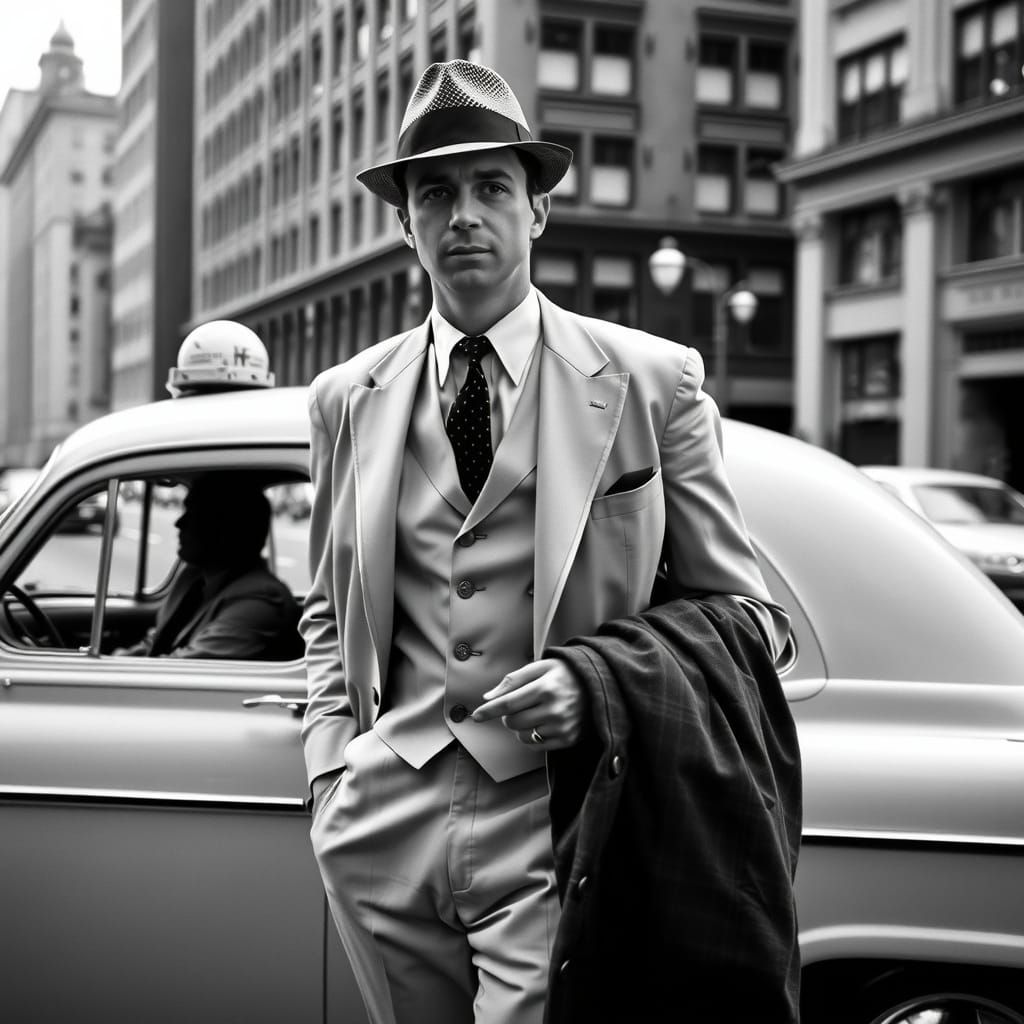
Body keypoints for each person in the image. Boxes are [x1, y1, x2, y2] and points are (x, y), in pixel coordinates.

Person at [301, 60, 797, 1024]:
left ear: (537, 211)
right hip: (380, 818)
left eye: (493, 187)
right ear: (405, 222)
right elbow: (329, 602)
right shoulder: (343, 400)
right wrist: (331, 767)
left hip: (561, 818)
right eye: (435, 193)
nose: (464, 216)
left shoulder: (656, 383)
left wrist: (600, 681)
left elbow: (751, 622)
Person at [119, 474, 302, 660]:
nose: (179, 523)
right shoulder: (193, 579)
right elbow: (156, 642)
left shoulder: (262, 600)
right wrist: (116, 662)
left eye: (193, 513)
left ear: (226, 527)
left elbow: (185, 668)